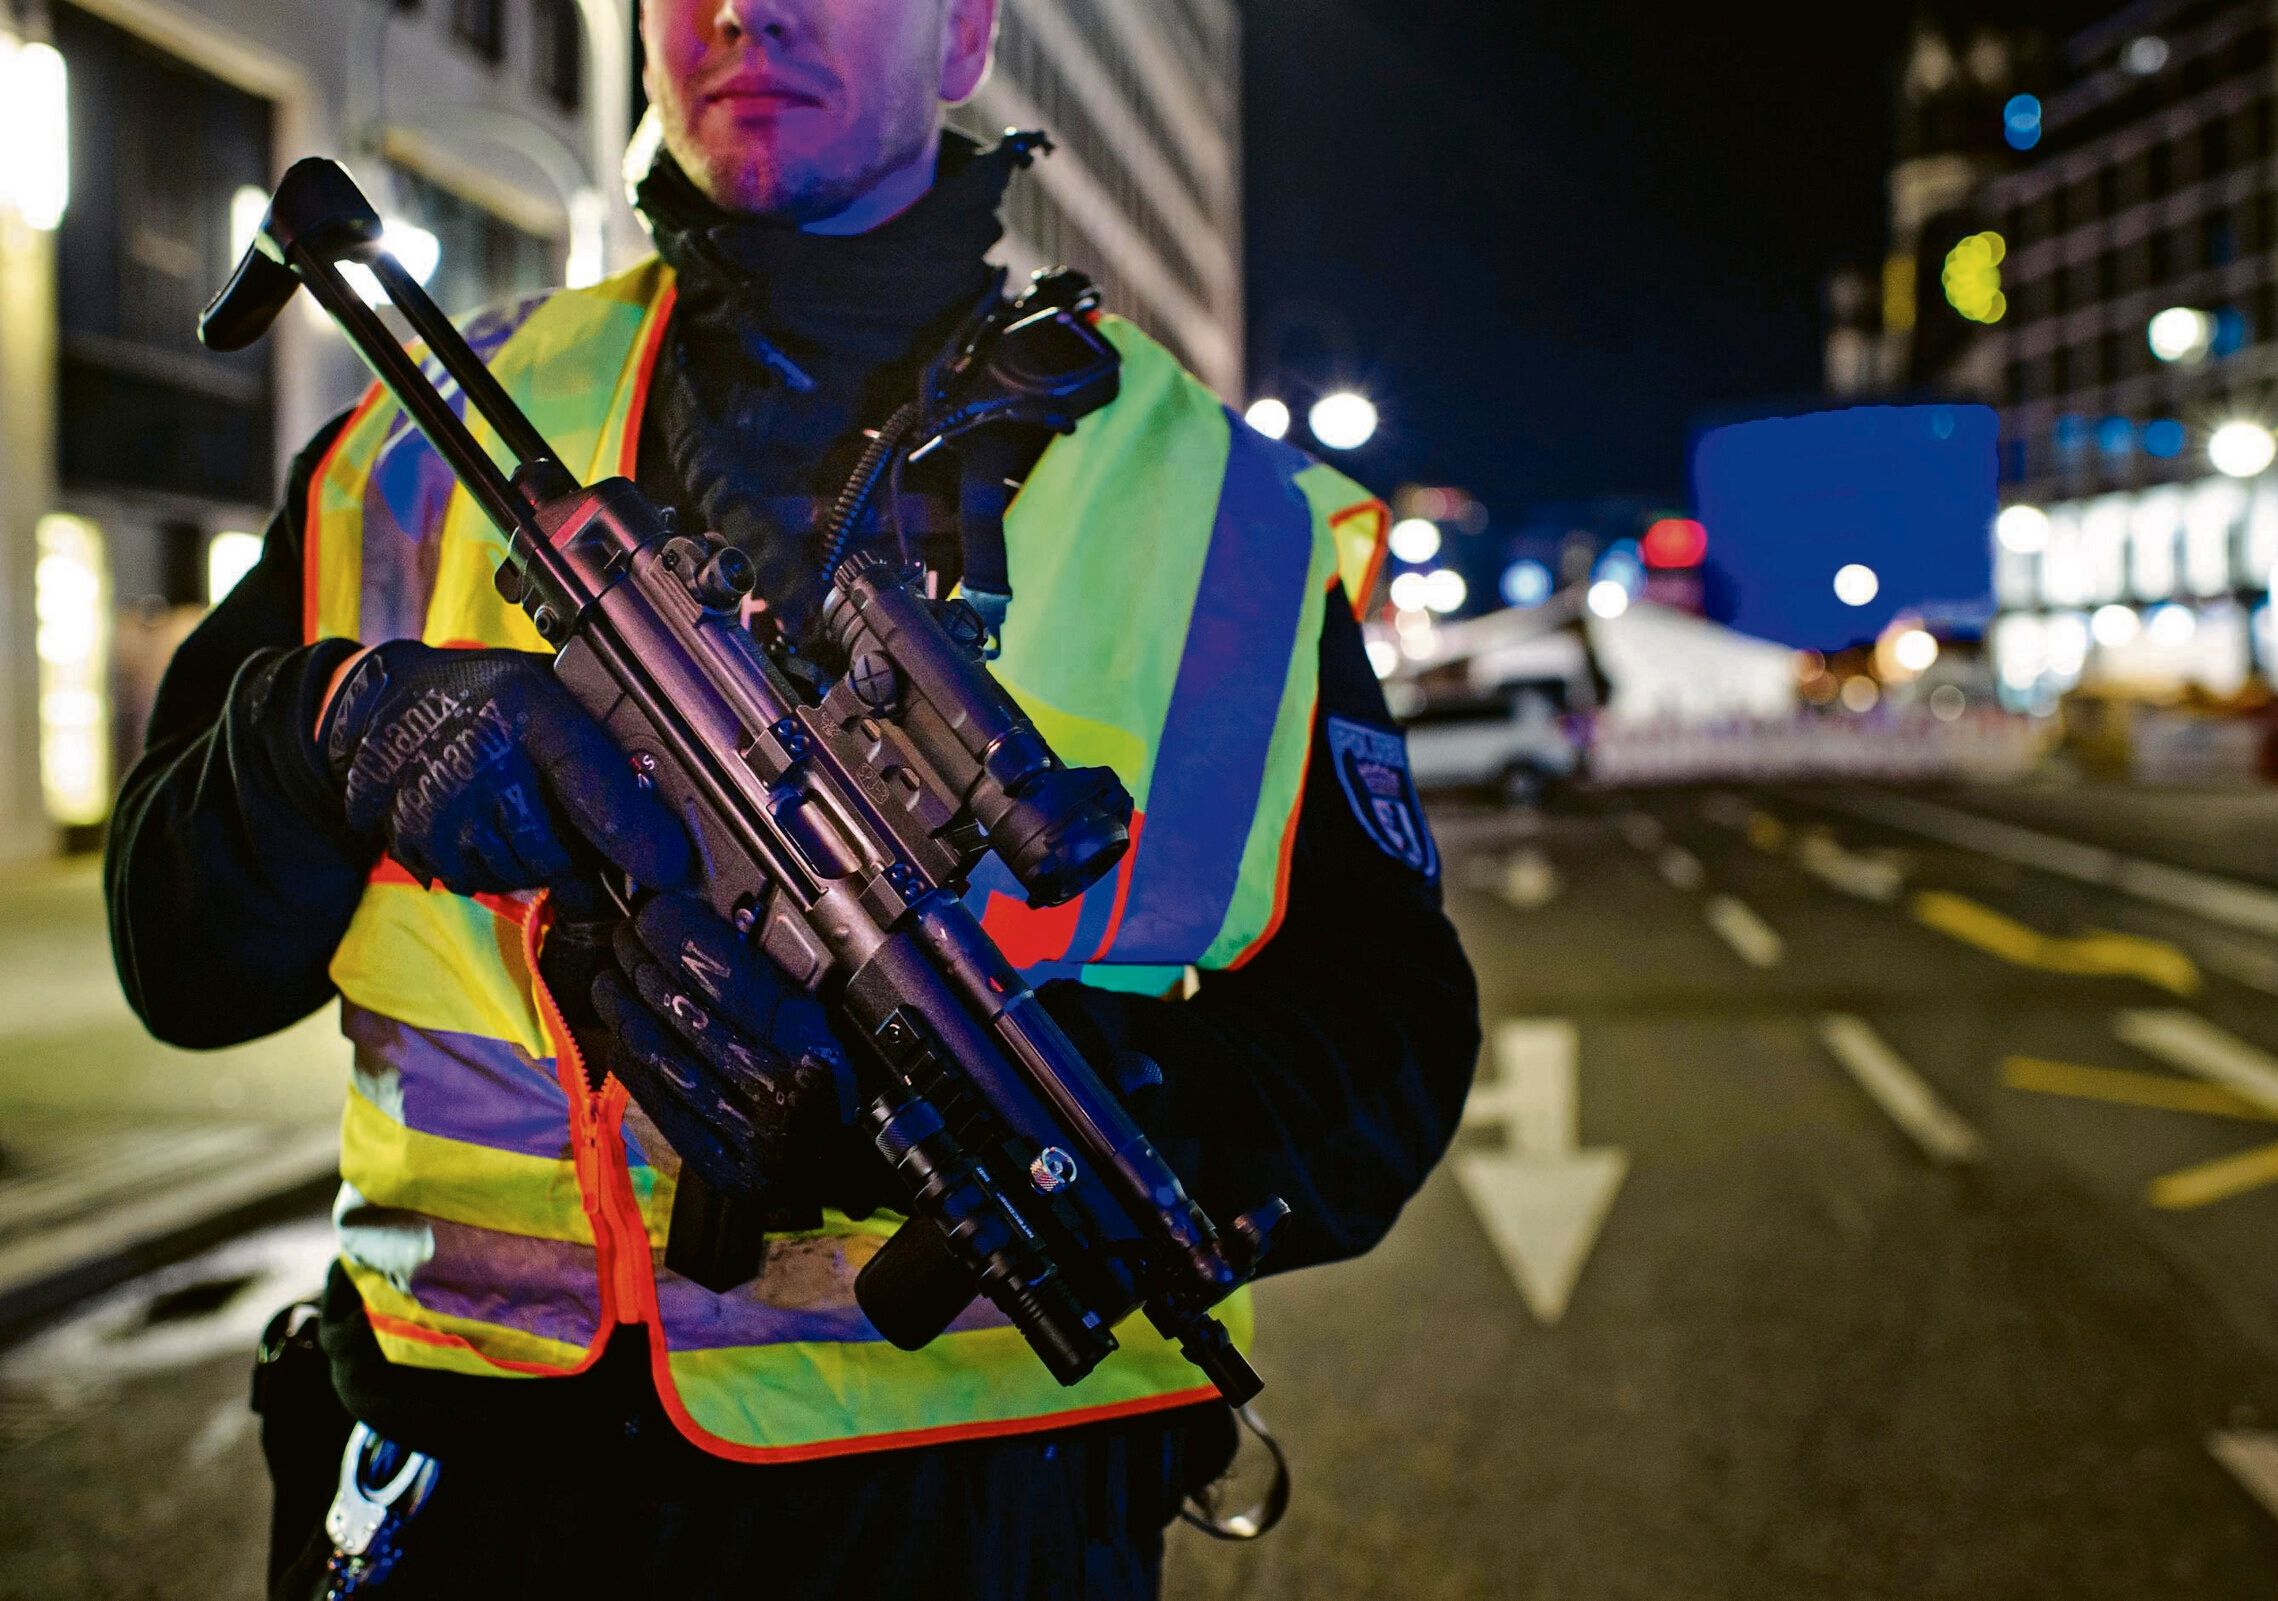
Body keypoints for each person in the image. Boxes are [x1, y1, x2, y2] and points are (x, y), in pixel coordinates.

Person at [106, 1, 1481, 1595]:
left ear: (966, 36)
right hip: (478, 1501)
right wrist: (321, 729)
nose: (749, 7)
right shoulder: (420, 435)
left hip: (982, 1524)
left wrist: (990, 1111)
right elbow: (174, 963)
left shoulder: (1218, 504)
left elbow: (1390, 1035)